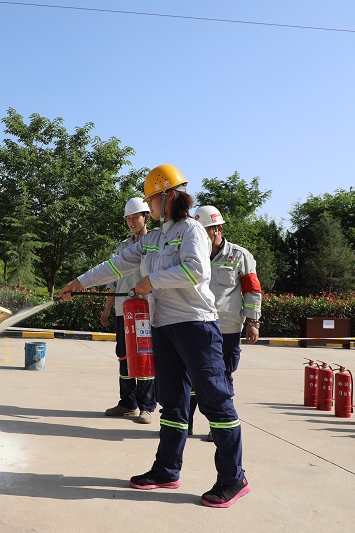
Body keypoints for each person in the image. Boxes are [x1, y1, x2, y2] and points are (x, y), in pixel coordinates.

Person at [59, 164, 250, 508]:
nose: (149, 206)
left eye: (152, 199)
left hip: (196, 325)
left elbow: (196, 270)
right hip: (164, 327)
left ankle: (233, 477)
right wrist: (79, 282)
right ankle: (166, 470)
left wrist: (152, 281)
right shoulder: (154, 238)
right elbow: (117, 265)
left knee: (214, 400)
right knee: (173, 402)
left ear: (169, 195)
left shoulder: (192, 230)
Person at [189, 205, 262, 440]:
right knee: (190, 377)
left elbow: (252, 290)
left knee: (222, 377)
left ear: (218, 229)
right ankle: (184, 425)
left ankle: (219, 428)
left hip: (227, 329)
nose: (201, 236)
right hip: (195, 324)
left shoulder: (240, 256)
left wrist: (253, 321)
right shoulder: (190, 254)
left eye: (206, 230)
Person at [100, 198, 157, 424]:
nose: (132, 222)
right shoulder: (122, 247)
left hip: (146, 312)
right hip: (122, 311)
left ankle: (147, 406)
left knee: (144, 358)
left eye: (136, 217)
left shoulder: (155, 243)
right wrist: (106, 310)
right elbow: (114, 281)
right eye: (129, 219)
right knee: (123, 357)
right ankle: (127, 403)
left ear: (146, 217)